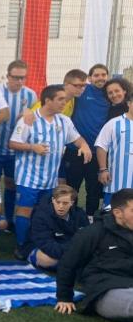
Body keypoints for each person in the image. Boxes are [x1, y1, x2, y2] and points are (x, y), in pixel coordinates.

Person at [9, 84, 91, 258]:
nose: (64, 102)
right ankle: (21, 246)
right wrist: (33, 147)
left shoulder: (64, 121)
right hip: (28, 178)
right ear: (47, 100)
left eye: (64, 99)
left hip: (50, 180)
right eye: (60, 99)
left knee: (45, 212)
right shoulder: (29, 119)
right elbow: (13, 143)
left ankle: (40, 242)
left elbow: (77, 139)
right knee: (25, 211)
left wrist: (84, 146)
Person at [55, 188, 133, 322]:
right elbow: (68, 263)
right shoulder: (93, 232)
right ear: (118, 213)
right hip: (105, 289)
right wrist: (64, 297)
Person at [0, 60, 36, 228]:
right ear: (7, 76)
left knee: (11, 184)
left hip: (15, 151)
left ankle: (9, 220)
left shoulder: (30, 95)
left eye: (23, 78)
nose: (19, 81)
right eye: (15, 77)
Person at [64, 64, 110, 217]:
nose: (100, 78)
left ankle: (91, 218)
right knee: (72, 188)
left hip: (97, 152)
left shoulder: (109, 94)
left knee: (93, 190)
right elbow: (63, 87)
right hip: (75, 149)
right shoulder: (83, 90)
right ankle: (70, 217)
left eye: (103, 74)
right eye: (96, 75)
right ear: (90, 78)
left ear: (107, 77)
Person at [25, 185, 88, 270]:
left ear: (71, 203)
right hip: (44, 247)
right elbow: (46, 245)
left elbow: (86, 240)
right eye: (58, 202)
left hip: (69, 248)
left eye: (65, 203)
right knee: (47, 260)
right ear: (53, 200)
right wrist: (73, 252)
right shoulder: (41, 216)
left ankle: (72, 265)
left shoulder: (80, 214)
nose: (61, 206)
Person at [95, 91, 133, 207]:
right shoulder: (114, 123)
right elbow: (101, 146)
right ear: (129, 103)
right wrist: (103, 169)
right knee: (110, 215)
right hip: (116, 181)